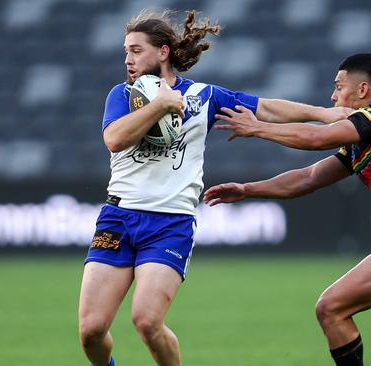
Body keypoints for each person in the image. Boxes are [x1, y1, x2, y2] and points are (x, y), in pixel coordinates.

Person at [78, 9, 348, 366]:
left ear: (163, 53)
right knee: (91, 331)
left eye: (136, 50)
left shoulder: (204, 97)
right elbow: (114, 140)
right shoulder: (123, 95)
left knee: (147, 321)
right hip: (119, 216)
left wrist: (325, 114)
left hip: (169, 223)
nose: (127, 59)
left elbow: (267, 108)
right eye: (125, 51)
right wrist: (160, 105)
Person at [204, 52, 371, 366]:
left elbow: (316, 137)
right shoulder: (364, 140)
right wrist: (247, 190)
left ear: (363, 90)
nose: (333, 95)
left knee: (331, 307)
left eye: (339, 86)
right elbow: (309, 178)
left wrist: (257, 128)